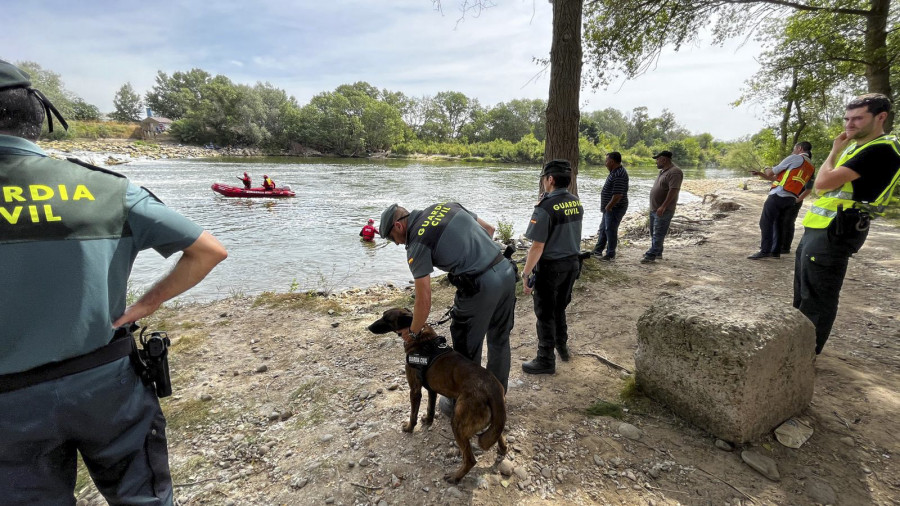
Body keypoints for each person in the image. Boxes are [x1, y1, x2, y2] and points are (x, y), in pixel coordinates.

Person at [0, 60, 228, 505]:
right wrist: (146, 304)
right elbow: (209, 251)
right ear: (36, 118)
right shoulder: (106, 189)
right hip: (105, 381)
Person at [379, 200, 516, 402]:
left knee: (466, 348)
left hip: (478, 287)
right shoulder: (446, 206)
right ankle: (497, 399)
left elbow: (423, 301)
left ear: (398, 225)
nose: (397, 243)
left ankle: (470, 403)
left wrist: (414, 333)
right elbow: (489, 228)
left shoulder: (417, 243)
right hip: (505, 271)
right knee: (500, 339)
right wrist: (477, 258)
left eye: (393, 238)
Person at [793, 93, 900, 354]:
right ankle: (794, 345)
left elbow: (821, 184)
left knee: (817, 297)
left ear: (880, 117)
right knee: (803, 291)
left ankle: (805, 354)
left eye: (858, 118)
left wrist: (833, 151)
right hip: (820, 227)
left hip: (836, 232)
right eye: (847, 118)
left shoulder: (881, 149)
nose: (849, 125)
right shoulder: (858, 146)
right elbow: (826, 188)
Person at [521, 160, 584, 374]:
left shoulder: (544, 208)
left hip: (551, 268)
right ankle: (562, 347)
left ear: (550, 179)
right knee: (560, 308)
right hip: (573, 264)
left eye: (544, 179)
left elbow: (537, 246)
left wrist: (526, 273)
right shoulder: (576, 201)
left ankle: (545, 359)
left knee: (545, 313)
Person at [747, 142, 815, 259]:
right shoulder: (811, 167)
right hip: (791, 198)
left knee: (765, 222)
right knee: (778, 224)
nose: (792, 151)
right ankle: (775, 252)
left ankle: (765, 251)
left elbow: (771, 172)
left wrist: (767, 167)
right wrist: (760, 174)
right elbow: (774, 178)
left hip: (778, 195)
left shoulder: (795, 158)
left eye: (794, 149)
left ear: (799, 148)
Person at [641, 150, 683, 264]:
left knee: (658, 233)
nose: (656, 162)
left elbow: (673, 190)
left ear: (664, 159)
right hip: (655, 208)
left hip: (664, 209)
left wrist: (663, 206)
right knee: (654, 232)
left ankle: (651, 255)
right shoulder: (663, 171)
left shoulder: (675, 172)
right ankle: (658, 252)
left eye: (657, 159)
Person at [591, 151, 629, 261]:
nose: (605, 163)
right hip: (609, 208)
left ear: (612, 162)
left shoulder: (619, 174)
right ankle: (597, 250)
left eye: (606, 161)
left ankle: (610, 254)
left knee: (610, 229)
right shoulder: (614, 171)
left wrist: (608, 207)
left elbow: (618, 195)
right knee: (603, 228)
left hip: (615, 208)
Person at [778, 176, 815, 254]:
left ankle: (785, 247)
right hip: (783, 198)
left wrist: (797, 200)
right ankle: (777, 244)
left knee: (788, 222)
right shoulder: (791, 167)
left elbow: (808, 189)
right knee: (779, 221)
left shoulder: (809, 171)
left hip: (794, 200)